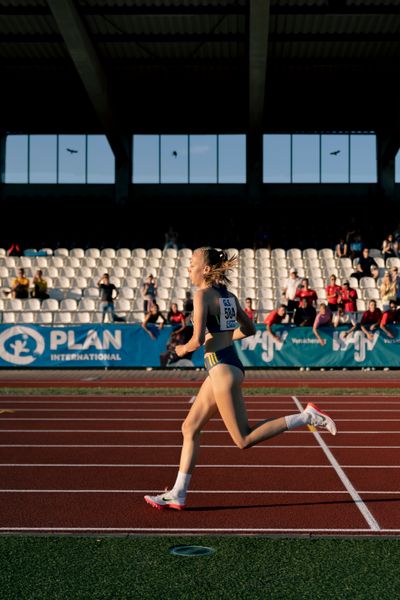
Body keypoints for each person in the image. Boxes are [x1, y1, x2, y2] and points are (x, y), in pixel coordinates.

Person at [144, 247, 337, 511]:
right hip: (224, 366)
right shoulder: (229, 297)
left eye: (192, 263)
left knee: (243, 439)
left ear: (207, 269)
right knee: (189, 427)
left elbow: (196, 341)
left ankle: (306, 416)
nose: (188, 268)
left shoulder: (202, 295)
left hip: (222, 370)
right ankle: (178, 493)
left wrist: (179, 351)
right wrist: (221, 340)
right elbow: (249, 329)